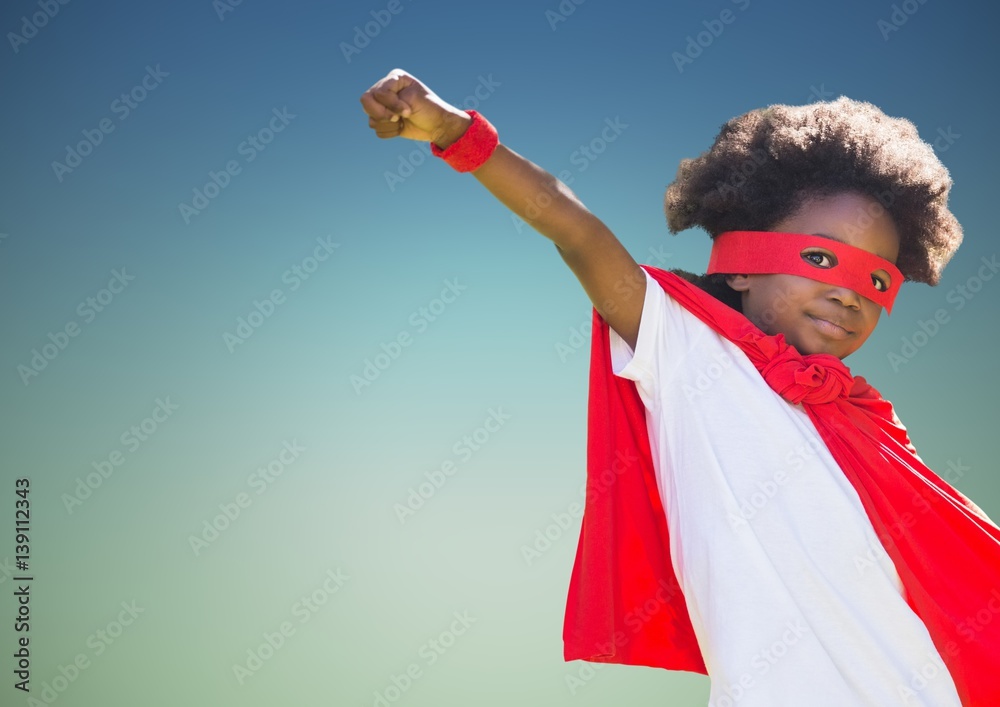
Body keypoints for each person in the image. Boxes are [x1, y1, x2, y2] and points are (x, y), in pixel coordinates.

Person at [359, 68, 1000, 706]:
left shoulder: (865, 420)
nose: (847, 292)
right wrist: (456, 133)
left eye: (875, 283)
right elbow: (575, 230)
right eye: (823, 259)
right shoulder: (689, 351)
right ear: (743, 263)